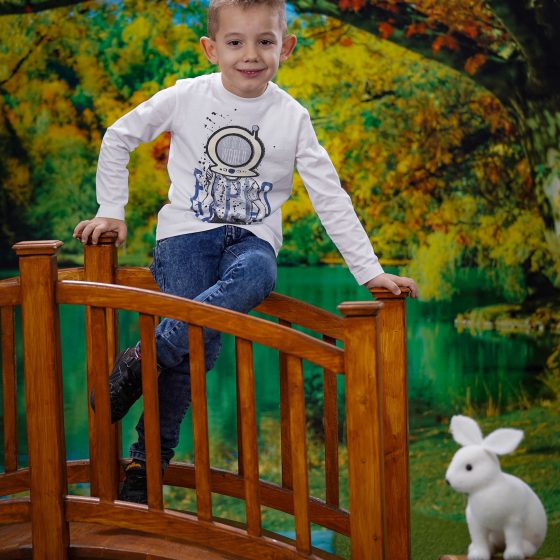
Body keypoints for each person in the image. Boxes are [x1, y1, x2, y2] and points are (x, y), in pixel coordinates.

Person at [74, 0, 418, 504]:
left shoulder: (292, 117)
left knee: (257, 275)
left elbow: (329, 196)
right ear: (211, 49)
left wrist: (370, 271)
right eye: (235, 42)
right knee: (196, 351)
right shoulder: (187, 96)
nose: (250, 54)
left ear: (287, 47)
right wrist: (111, 209)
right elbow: (119, 136)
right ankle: (146, 467)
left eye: (265, 41)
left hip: (251, 242)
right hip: (185, 236)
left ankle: (144, 358)